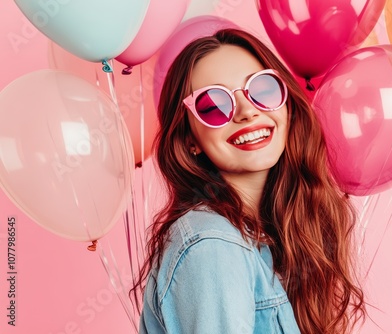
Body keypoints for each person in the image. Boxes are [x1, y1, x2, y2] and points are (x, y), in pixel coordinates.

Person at [134, 28, 365, 334]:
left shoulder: (271, 237)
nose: (246, 112)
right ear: (191, 140)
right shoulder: (211, 245)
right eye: (213, 105)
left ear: (287, 104)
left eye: (263, 89)